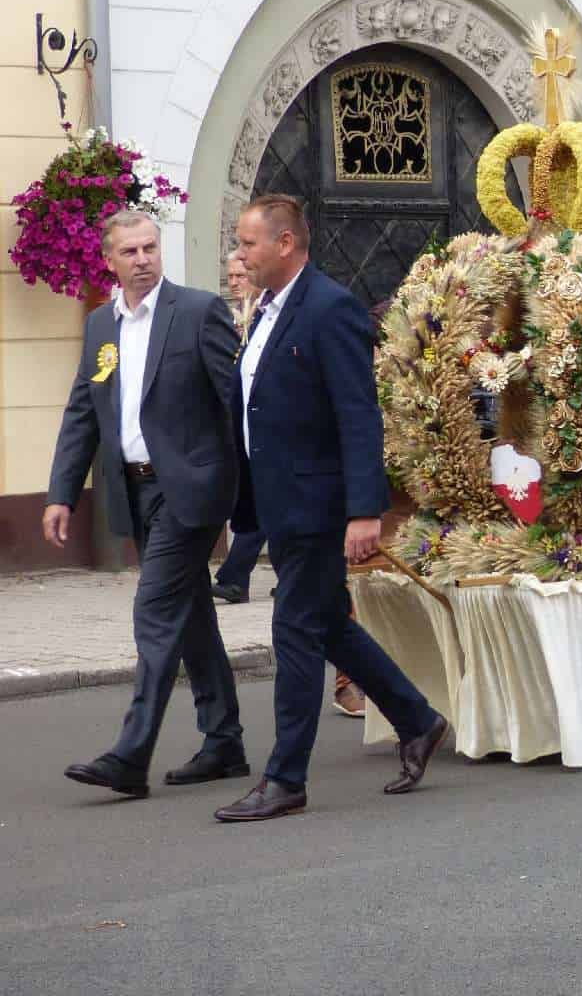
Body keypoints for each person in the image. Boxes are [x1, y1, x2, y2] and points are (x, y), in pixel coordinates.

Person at [214, 196, 449, 822]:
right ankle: (418, 720)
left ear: (286, 243)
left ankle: (285, 778)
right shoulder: (265, 309)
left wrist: (365, 511)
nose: (240, 254)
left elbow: (358, 414)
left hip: (318, 504)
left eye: (249, 243)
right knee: (327, 623)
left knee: (294, 630)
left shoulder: (329, 308)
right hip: (280, 500)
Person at [44, 209, 249, 800]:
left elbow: (235, 399)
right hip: (135, 490)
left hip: (190, 490)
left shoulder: (197, 311)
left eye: (149, 248)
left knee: (155, 610)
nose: (142, 260)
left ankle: (131, 755)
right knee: (191, 614)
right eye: (130, 252)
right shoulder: (100, 326)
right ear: (109, 260)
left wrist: (245, 481)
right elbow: (83, 413)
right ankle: (224, 741)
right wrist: (61, 495)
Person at [211, 255, 263, 607]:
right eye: (229, 276)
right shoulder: (230, 317)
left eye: (240, 275)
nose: (233, 282)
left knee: (263, 504)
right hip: (238, 421)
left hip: (265, 422)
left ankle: (233, 578)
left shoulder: (265, 315)